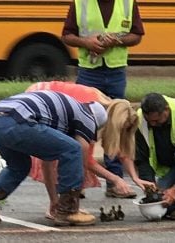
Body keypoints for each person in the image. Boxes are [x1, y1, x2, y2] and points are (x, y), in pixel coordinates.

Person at [0, 90, 107, 226]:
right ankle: (68, 211)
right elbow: (80, 153)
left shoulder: (62, 115)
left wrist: (54, 201)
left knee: (19, 166)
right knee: (73, 149)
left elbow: (47, 162)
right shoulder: (87, 117)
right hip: (17, 121)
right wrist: (73, 200)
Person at [27, 81, 154, 219]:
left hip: (45, 99)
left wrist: (135, 178)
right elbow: (86, 161)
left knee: (65, 155)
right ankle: (56, 206)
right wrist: (115, 179)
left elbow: (122, 147)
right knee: (56, 157)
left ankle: (60, 205)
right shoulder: (91, 114)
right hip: (39, 101)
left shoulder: (110, 107)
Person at [61, 0, 145, 198]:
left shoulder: (127, 3)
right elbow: (66, 35)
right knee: (83, 125)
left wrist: (116, 40)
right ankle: (77, 181)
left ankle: (114, 181)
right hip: (89, 72)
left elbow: (137, 35)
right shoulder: (80, 3)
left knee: (116, 126)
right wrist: (86, 42)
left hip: (116, 71)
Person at [135, 93, 175, 220]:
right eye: (150, 121)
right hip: (169, 169)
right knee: (163, 204)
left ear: (166, 109)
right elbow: (142, 158)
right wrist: (150, 186)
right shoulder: (140, 119)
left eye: (156, 120)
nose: (153, 124)